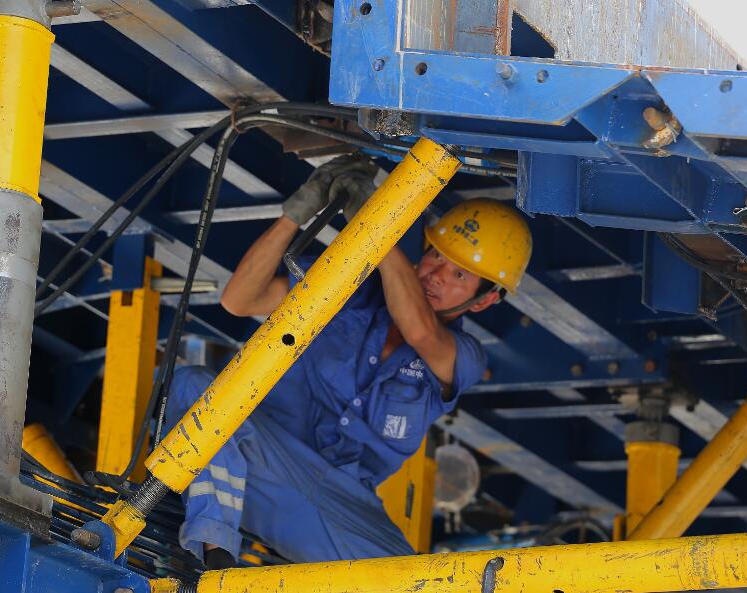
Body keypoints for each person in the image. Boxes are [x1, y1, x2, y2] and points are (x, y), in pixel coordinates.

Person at [165, 154, 532, 568]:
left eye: (460, 275)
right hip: (260, 460)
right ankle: (214, 560)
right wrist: (295, 214)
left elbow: (420, 332)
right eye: (436, 257)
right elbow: (240, 300)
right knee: (193, 385)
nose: (437, 274)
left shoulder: (463, 356)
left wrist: (377, 228)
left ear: (483, 301)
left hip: (343, 509)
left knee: (413, 581)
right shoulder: (347, 283)